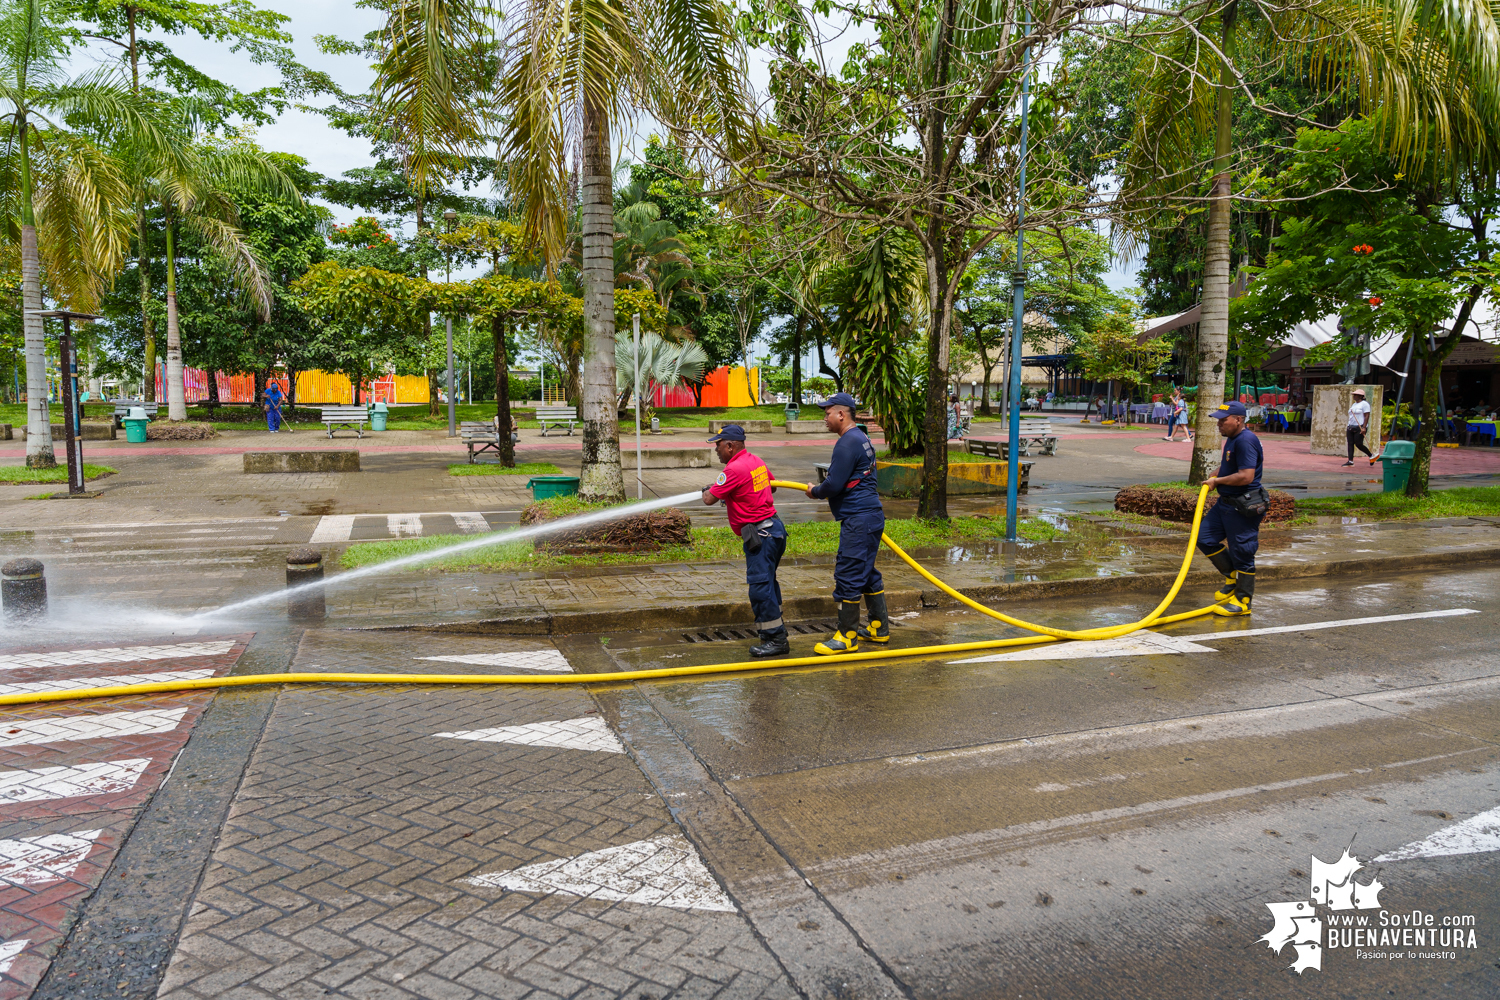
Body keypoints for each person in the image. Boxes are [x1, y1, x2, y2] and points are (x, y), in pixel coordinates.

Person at [804, 392, 888, 653]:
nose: (825, 418)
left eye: (827, 413)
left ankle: (847, 636)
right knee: (867, 573)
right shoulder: (860, 437)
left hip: (859, 520)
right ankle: (878, 628)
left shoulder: (846, 443)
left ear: (842, 414)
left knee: (849, 575)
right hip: (869, 517)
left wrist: (814, 491)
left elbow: (834, 484)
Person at [702, 424, 789, 657]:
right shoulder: (755, 460)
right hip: (775, 530)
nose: (716, 450)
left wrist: (709, 490)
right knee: (769, 583)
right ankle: (774, 631)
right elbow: (773, 487)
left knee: (760, 588)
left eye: (718, 445)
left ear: (730, 446)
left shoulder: (733, 469)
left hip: (760, 535)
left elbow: (709, 499)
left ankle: (776, 640)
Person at [1198, 401, 1266, 616]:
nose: (1219, 424)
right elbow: (1232, 465)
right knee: (1203, 537)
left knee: (1242, 551)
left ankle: (1243, 600)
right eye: (1218, 420)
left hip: (1242, 505)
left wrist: (1217, 482)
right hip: (1225, 504)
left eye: (1223, 420)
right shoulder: (1233, 439)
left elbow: (1246, 475)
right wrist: (1216, 472)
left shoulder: (1246, 440)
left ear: (1238, 420)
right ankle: (1231, 576)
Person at [1344, 388, 1373, 466]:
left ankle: (1370, 455)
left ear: (1361, 396)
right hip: (1351, 426)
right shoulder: (1354, 404)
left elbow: (1367, 416)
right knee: (1350, 443)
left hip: (1359, 426)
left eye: (1356, 395)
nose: (1354, 396)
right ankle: (1350, 460)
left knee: (1358, 444)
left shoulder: (1365, 404)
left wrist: (1364, 427)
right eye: (1354, 395)